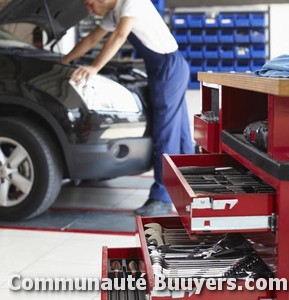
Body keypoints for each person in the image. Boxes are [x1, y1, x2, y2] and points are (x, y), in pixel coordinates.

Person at [61, 0, 194, 216]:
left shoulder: (132, 2)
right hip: (164, 69)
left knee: (165, 134)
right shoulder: (114, 12)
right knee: (179, 132)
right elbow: (92, 38)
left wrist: (94, 67)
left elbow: (119, 36)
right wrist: (64, 61)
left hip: (168, 68)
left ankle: (161, 198)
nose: (88, 9)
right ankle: (189, 186)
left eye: (89, 3)